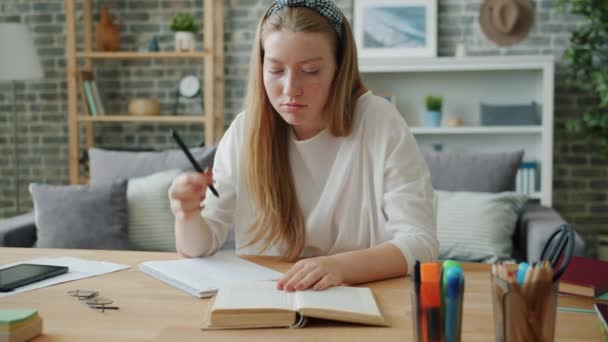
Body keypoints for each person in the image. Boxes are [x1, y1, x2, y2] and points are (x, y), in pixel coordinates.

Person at [168, 0, 438, 292]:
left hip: (360, 299)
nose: (290, 89)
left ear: (339, 69)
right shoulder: (244, 132)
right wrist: (187, 215)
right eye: (275, 70)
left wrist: (340, 267)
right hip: (268, 300)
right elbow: (199, 247)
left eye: (310, 71)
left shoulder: (380, 122)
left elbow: (421, 244)